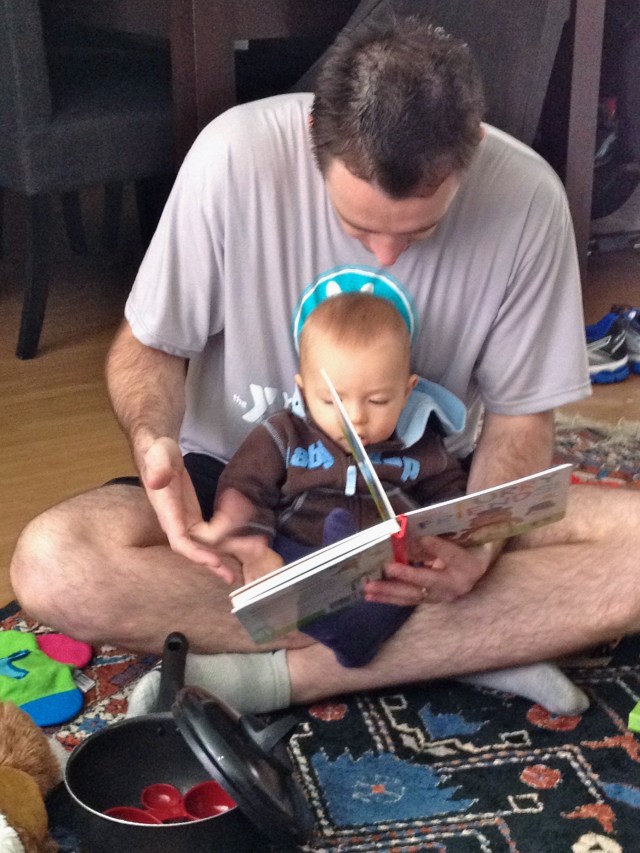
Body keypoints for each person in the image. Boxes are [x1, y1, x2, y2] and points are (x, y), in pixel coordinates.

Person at [10, 15, 638, 719]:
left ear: (473, 154)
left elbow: (522, 421)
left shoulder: (529, 199)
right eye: (357, 227)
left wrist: (480, 549)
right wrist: (154, 438)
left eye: (420, 230)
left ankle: (287, 676)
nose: (386, 256)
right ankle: (476, 644)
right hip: (241, 498)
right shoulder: (233, 158)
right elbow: (148, 349)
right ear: (314, 138)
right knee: (54, 561)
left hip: (426, 500)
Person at [186, 288, 587, 713]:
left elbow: (449, 496)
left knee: (446, 584)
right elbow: (244, 488)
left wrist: (450, 544)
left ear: (407, 389)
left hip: (390, 572)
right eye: (331, 401)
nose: (355, 418)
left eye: (378, 401)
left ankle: (465, 653)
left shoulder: (420, 446)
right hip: (301, 553)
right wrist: (254, 548)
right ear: (302, 390)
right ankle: (470, 655)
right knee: (274, 572)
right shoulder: (284, 434)